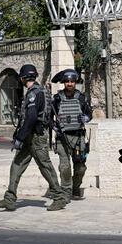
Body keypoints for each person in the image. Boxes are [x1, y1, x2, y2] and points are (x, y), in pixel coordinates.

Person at [0, 64, 68, 211]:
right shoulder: (39, 91)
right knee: (17, 164)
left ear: (24, 77)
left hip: (35, 136)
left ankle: (59, 197)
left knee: (45, 166)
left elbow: (32, 117)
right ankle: (10, 198)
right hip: (30, 135)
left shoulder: (34, 93)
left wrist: (20, 137)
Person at [51, 69, 92, 200]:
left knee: (80, 167)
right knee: (64, 166)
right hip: (62, 137)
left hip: (78, 137)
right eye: (67, 81)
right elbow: (48, 117)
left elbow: (89, 114)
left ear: (75, 82)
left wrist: (85, 118)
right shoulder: (57, 99)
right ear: (63, 83)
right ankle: (66, 192)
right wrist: (54, 127)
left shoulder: (81, 97)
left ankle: (75, 188)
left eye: (72, 81)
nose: (69, 84)